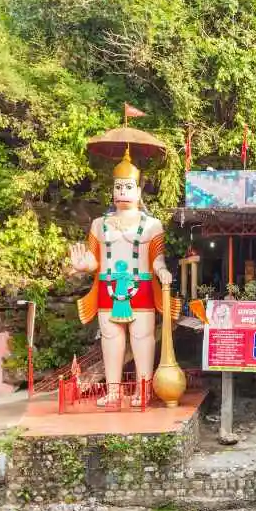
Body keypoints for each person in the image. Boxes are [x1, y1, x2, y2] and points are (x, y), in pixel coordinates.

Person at [70, 147, 171, 406]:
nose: (122, 192)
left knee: (142, 338)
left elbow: (157, 258)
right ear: (112, 190)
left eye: (128, 187)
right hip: (108, 287)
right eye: (118, 187)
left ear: (138, 191)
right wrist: (84, 265)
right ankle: (114, 390)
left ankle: (143, 389)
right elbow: (94, 260)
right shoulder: (99, 224)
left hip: (141, 286)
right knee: (111, 339)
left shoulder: (152, 225)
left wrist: (162, 271)